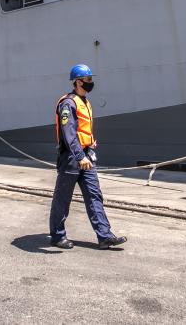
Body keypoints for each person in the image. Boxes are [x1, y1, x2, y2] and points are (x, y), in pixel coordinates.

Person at [48, 64, 127, 250]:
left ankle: (105, 236)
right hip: (72, 158)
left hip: (86, 156)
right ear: (78, 81)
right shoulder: (68, 103)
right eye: (88, 79)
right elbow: (68, 133)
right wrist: (79, 155)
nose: (91, 82)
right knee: (63, 198)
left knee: (94, 195)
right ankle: (57, 236)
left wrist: (89, 143)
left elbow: (82, 130)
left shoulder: (84, 101)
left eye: (91, 79)